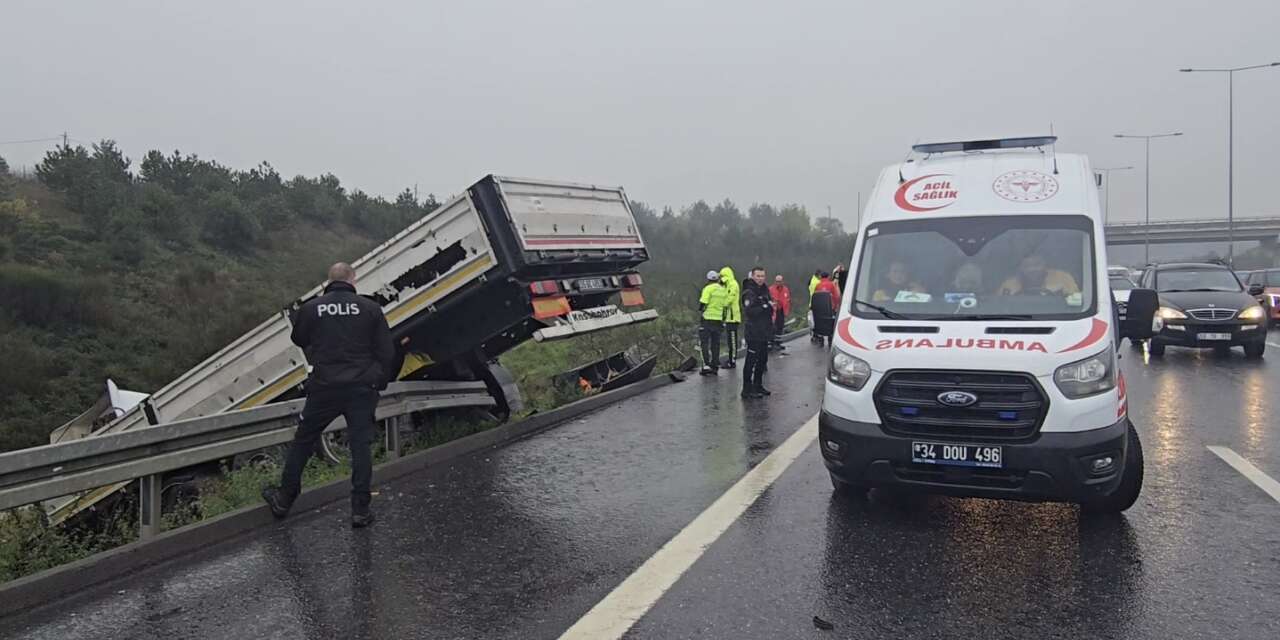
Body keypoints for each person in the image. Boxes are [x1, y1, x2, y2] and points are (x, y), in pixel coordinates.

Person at [263, 262, 395, 528]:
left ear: (328, 281)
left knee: (304, 440)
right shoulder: (370, 308)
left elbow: (299, 339)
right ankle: (360, 510)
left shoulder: (312, 308)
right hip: (361, 388)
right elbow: (386, 351)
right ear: (352, 279)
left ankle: (284, 498)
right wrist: (378, 381)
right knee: (360, 447)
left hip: (324, 387)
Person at [740, 267, 775, 398]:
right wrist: (765, 306)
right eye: (758, 276)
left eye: (762, 276)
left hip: (764, 331)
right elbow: (750, 312)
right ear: (753, 277)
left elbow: (770, 307)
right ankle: (747, 389)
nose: (760, 279)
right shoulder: (749, 292)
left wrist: (769, 307)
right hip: (753, 332)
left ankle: (758, 385)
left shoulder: (765, 290)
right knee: (751, 361)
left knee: (763, 360)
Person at [998, 255, 1080, 296]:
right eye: (1027, 265)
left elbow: (1075, 301)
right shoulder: (1009, 285)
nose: (1033, 269)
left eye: (1037, 264)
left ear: (1045, 264)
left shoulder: (1062, 278)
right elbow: (1000, 306)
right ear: (1020, 268)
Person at [698, 270, 730, 375]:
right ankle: (715, 365)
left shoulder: (708, 289)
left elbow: (703, 303)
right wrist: (723, 319)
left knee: (704, 343)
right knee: (715, 344)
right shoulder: (723, 290)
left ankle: (706, 365)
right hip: (718, 320)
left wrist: (701, 311)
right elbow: (725, 306)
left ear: (708, 279)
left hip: (707, 319)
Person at [720, 266, 742, 369]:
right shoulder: (726, 285)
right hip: (728, 317)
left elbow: (730, 298)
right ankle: (730, 358)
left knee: (732, 340)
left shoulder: (733, 284)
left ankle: (732, 360)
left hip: (733, 317)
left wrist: (721, 304)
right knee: (729, 340)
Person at [769, 274, 792, 346]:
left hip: (782, 311)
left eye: (780, 281)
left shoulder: (786, 289)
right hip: (773, 311)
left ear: (782, 281)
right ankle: (772, 342)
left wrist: (787, 311)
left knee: (780, 327)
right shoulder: (771, 289)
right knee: (773, 327)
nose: (778, 283)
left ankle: (778, 343)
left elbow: (788, 300)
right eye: (777, 281)